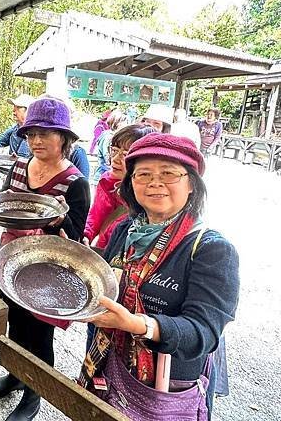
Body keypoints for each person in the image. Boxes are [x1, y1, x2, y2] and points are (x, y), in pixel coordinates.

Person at [80, 132, 239, 421]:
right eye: (143, 174)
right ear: (131, 184)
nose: (155, 182)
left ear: (191, 183)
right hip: (106, 364)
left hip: (164, 386)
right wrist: (75, 259)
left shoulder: (212, 249)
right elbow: (102, 277)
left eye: (169, 173)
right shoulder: (124, 230)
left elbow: (203, 332)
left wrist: (139, 325)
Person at [0, 95, 91, 421]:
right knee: (14, 325)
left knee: (38, 334)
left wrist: (59, 220)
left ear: (64, 138)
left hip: (45, 272)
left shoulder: (76, 182)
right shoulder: (20, 165)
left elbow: (77, 238)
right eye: (31, 134)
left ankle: (35, 394)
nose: (35, 141)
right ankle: (17, 375)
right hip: (10, 259)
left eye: (44, 134)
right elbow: (5, 203)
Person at [83, 124, 156, 249]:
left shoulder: (155, 198)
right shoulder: (108, 182)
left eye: (125, 154)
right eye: (114, 151)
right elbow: (96, 215)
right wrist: (85, 236)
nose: (115, 159)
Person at [93, 109, 127, 184]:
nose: (126, 124)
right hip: (103, 178)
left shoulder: (115, 136)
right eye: (124, 121)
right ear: (117, 122)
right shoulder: (108, 137)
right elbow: (108, 159)